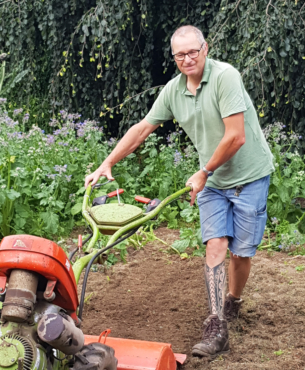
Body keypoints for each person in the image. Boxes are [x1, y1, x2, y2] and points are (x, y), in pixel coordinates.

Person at [84, 25, 274, 359]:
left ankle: (233, 300)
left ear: (205, 48)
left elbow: (236, 136)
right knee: (215, 244)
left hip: (249, 177)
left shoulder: (225, 77)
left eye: (192, 51)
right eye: (179, 54)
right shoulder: (174, 90)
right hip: (213, 183)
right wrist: (107, 163)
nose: (187, 59)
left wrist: (203, 171)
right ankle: (216, 326)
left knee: (242, 254)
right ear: (174, 57)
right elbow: (143, 128)